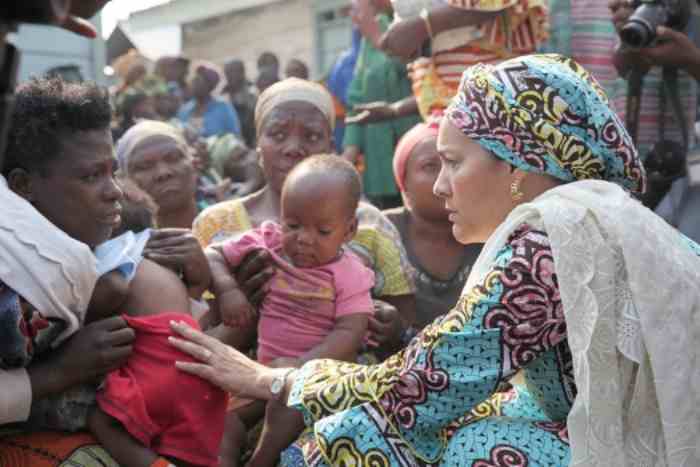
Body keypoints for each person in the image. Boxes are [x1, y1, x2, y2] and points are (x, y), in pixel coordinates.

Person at [168, 54, 700, 467]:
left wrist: (271, 380)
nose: (442, 186)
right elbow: (456, 362)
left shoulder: (548, 244)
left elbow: (424, 388)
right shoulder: (596, 220)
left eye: (452, 162)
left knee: (391, 434)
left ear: (516, 164)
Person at [192, 77, 417, 358]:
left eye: (311, 136)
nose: (293, 148)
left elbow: (406, 327)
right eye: (277, 134)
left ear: (330, 147)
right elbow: (198, 332)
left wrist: (390, 327)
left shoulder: (369, 224)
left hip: (345, 391)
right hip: (239, 388)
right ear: (257, 144)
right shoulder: (215, 224)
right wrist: (239, 299)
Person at [0, 77, 134, 464]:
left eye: (114, 171)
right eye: (91, 176)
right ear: (24, 186)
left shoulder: (95, 247)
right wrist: (62, 370)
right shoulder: (12, 277)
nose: (114, 191)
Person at [210, 155, 374, 466]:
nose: (303, 239)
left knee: (285, 406)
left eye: (323, 231)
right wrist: (228, 290)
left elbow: (350, 332)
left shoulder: (350, 274)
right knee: (223, 418)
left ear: (349, 230)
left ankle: (261, 459)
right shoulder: (270, 242)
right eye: (293, 224)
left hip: (313, 377)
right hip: (259, 372)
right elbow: (213, 254)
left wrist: (299, 366)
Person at [87, 229, 227, 467]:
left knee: (103, 421)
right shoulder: (166, 271)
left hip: (159, 372)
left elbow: (113, 290)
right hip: (200, 370)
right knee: (185, 451)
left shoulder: (115, 250)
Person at [352, 0, 547, 124]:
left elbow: (494, 5)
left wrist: (423, 25)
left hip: (498, 116)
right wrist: (395, 110)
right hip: (456, 124)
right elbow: (449, 90)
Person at [384, 120, 481, 330]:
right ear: (403, 182)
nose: (444, 178)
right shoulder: (380, 232)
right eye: (430, 166)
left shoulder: (490, 233)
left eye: (455, 164)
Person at [116, 120, 212, 299]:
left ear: (194, 163)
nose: (163, 172)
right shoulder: (127, 258)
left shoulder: (233, 223)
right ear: (124, 182)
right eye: (143, 167)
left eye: (173, 158)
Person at [342, 0, 421, 209]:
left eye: (356, 8)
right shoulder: (365, 45)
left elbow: (415, 70)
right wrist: (348, 155)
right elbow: (356, 99)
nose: (353, 16)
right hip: (379, 166)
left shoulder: (402, 26)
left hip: (414, 151)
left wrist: (380, 40)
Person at [177, 63, 242, 138]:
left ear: (210, 85)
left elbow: (235, 136)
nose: (193, 84)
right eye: (193, 80)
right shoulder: (185, 110)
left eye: (198, 81)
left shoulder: (223, 108)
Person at [223, 59, 258, 147]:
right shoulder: (222, 93)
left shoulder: (252, 93)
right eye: (227, 72)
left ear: (242, 72)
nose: (229, 75)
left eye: (232, 71)